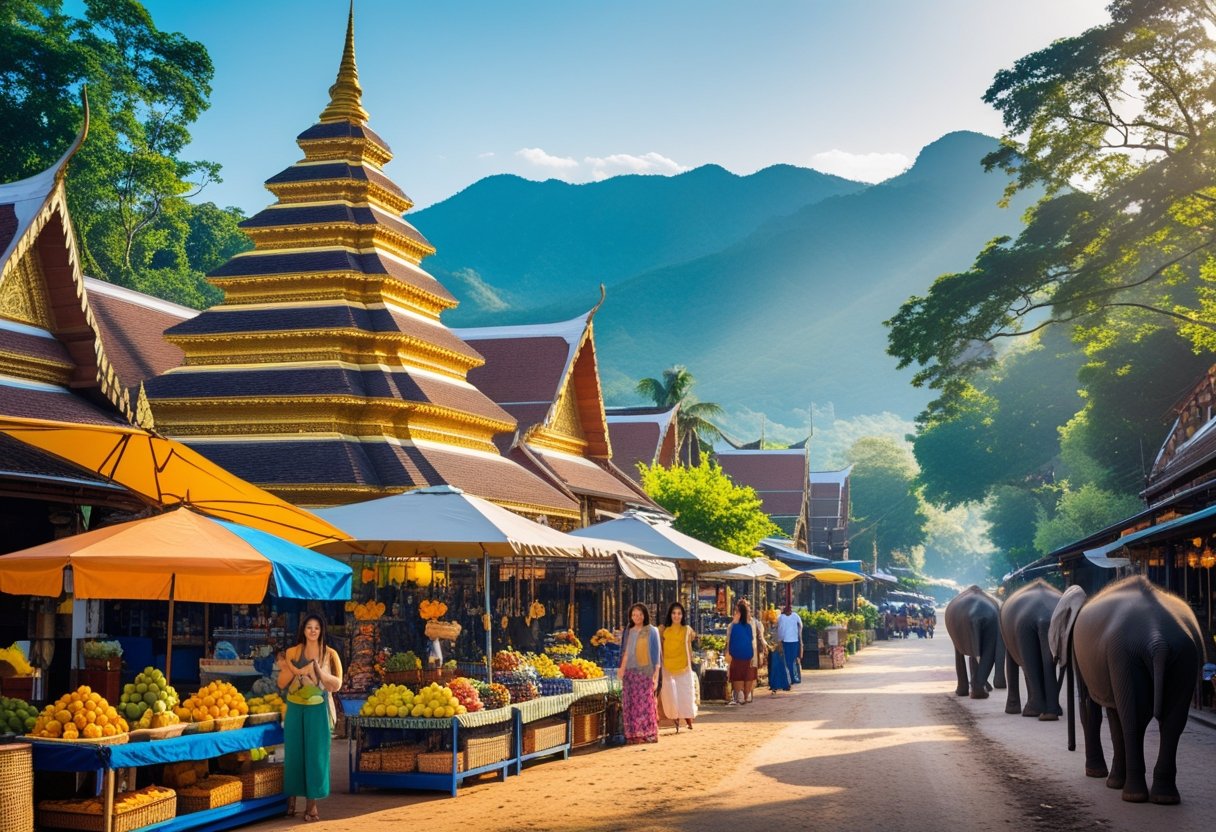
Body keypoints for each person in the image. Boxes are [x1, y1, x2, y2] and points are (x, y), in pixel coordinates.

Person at [278, 614, 343, 822]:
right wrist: (295, 669)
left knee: (315, 756)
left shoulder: (331, 654)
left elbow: (337, 684)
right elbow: (281, 683)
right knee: (294, 754)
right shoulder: (293, 652)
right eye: (309, 627)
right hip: (295, 707)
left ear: (322, 630)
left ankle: (311, 805)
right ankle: (291, 801)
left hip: (319, 709)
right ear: (303, 630)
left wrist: (317, 672)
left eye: (316, 627)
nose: (313, 631)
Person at [617, 603, 660, 744]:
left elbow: (656, 654)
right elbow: (625, 651)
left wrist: (656, 674)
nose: (637, 617)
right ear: (630, 616)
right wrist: (621, 669)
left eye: (640, 614)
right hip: (630, 672)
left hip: (645, 672)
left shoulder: (652, 631)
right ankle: (633, 734)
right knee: (630, 704)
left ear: (645, 615)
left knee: (645, 704)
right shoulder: (628, 631)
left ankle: (648, 734)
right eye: (634, 615)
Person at [659, 602, 697, 731]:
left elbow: (691, 643)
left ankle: (688, 720)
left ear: (682, 615)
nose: (676, 616)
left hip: (684, 666)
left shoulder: (687, 629)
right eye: (674, 613)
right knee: (670, 694)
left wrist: (691, 661)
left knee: (685, 693)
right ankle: (674, 718)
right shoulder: (663, 630)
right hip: (668, 666)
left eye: (679, 613)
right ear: (670, 615)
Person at [725, 600, 764, 705]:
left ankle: (742, 694)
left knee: (741, 676)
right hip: (748, 656)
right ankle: (745, 695)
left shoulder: (734, 626)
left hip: (741, 656)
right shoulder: (747, 626)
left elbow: (729, 641)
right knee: (746, 676)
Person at [775, 604, 803, 689]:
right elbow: (800, 626)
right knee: (789, 661)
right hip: (788, 641)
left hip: (792, 641)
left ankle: (792, 678)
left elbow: (800, 626)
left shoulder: (793, 616)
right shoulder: (781, 617)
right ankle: (792, 678)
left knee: (790, 660)